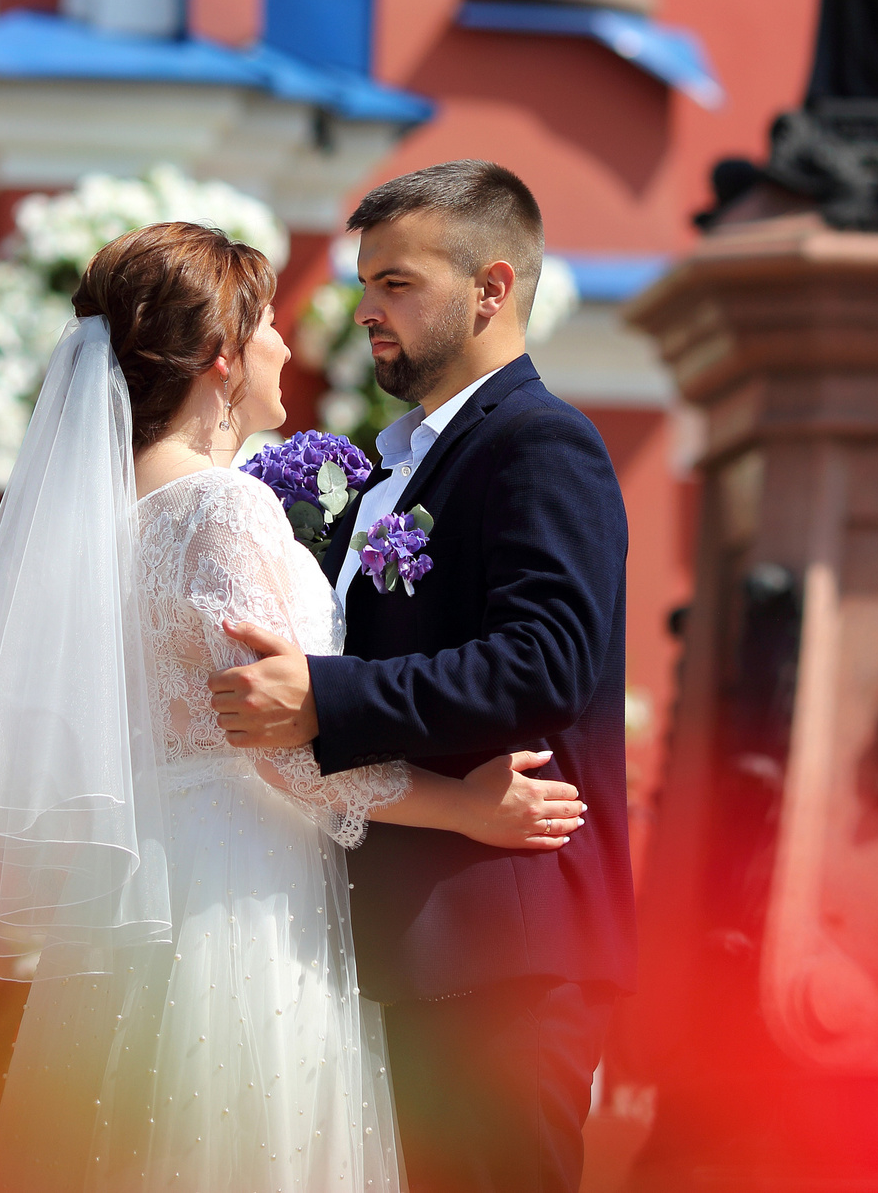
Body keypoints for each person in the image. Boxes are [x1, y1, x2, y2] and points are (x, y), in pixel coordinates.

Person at [0, 221, 588, 1193]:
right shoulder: (221, 507)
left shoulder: (109, 515)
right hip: (239, 899)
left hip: (142, 900)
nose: (286, 347)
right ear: (221, 359)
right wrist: (464, 806)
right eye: (266, 327)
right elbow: (279, 743)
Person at [209, 162, 635, 1193]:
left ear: (491, 290)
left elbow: (547, 663)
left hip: (506, 940)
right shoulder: (398, 466)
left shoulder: (540, 443)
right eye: (366, 284)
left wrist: (326, 697)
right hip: (419, 937)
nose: (367, 311)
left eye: (397, 283)